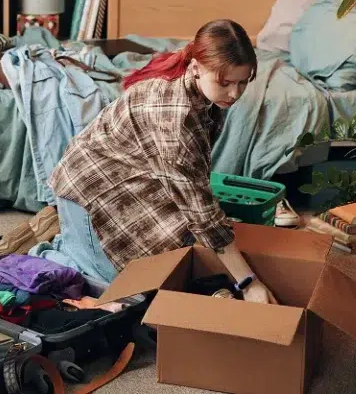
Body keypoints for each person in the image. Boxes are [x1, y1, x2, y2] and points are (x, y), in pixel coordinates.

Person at [39, 19, 277, 304]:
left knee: (176, 256)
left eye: (242, 82)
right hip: (89, 189)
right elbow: (201, 211)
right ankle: (55, 253)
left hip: (131, 180)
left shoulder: (201, 92)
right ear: (196, 67)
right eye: (225, 83)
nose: (235, 94)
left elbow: (193, 184)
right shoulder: (174, 119)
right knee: (127, 297)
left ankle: (74, 243)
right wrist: (248, 283)